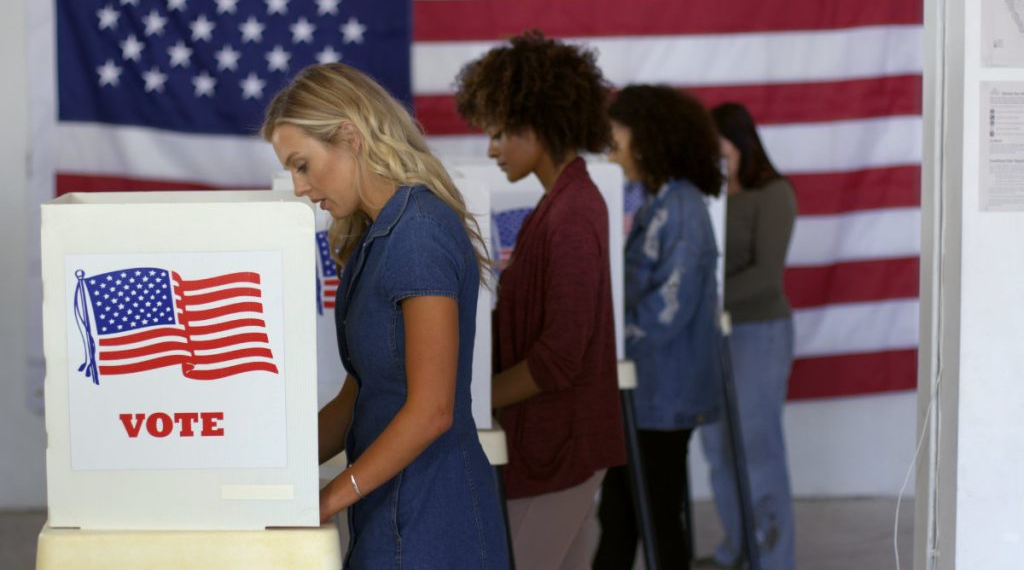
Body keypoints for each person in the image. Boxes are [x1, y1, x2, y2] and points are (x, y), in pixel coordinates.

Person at [261, 63, 509, 569]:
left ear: (350, 137)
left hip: (435, 521)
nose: (299, 187)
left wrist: (327, 500)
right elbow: (358, 396)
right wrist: (272, 472)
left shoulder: (418, 232)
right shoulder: (377, 236)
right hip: (389, 513)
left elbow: (432, 410)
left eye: (302, 164)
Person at [454, 31, 626, 569]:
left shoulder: (571, 214)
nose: (491, 148)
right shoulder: (560, 204)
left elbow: (559, 356)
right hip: (558, 441)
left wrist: (473, 403)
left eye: (501, 132)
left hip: (563, 444)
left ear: (540, 124)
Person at [592, 85, 725, 569]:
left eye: (616, 140)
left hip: (662, 394)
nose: (611, 151)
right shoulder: (658, 202)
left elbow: (669, 309)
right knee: (625, 513)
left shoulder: (682, 208)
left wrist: (603, 341)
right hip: (646, 391)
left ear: (647, 140)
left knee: (653, 516)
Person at [696, 102, 798, 570]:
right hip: (710, 337)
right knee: (718, 450)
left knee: (758, 448)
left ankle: (773, 559)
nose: (715, 158)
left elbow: (767, 274)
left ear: (741, 143)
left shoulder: (773, 193)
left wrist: (703, 301)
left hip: (758, 332)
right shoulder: (703, 196)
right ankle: (738, 549)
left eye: (720, 148)